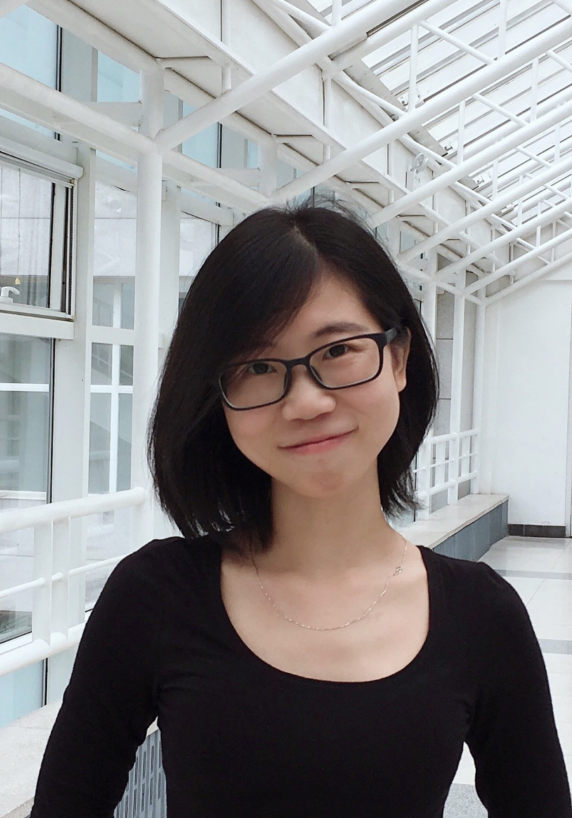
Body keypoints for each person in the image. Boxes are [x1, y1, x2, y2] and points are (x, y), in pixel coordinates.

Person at [30, 202, 571, 818]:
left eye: (337, 351)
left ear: (398, 359)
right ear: (218, 396)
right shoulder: (155, 595)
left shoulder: (482, 616)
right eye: (259, 367)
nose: (306, 402)